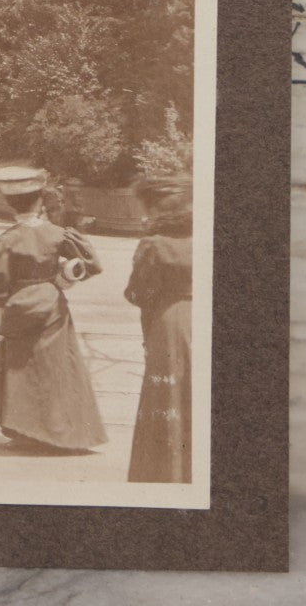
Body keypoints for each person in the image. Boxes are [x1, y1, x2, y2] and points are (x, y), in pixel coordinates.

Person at [0, 166, 107, 452]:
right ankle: (62, 432)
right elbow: (91, 265)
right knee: (56, 367)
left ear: (10, 204)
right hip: (52, 304)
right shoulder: (58, 234)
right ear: (40, 200)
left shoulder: (6, 240)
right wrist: (64, 278)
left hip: (19, 305)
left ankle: (26, 432)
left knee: (22, 369)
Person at [125, 176, 194, 483]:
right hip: (199, 316)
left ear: (155, 208)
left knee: (168, 397)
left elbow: (137, 294)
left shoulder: (154, 245)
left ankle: (164, 474)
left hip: (170, 324)